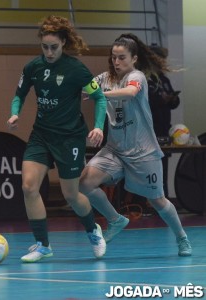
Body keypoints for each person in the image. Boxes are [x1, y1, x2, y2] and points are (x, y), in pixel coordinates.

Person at [79, 33, 192, 256]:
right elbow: (86, 88)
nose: (117, 62)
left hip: (143, 153)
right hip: (115, 150)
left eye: (122, 57)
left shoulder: (137, 77)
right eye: (114, 57)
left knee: (158, 201)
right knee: (85, 183)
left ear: (134, 59)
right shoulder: (104, 78)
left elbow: (130, 93)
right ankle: (115, 220)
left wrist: (101, 95)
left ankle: (182, 238)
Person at [7, 15, 107, 263]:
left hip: (70, 138)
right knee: (29, 187)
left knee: (71, 195)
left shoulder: (76, 69)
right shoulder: (33, 67)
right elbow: (19, 95)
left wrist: (98, 127)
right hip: (41, 134)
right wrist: (14, 113)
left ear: (63, 43)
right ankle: (43, 245)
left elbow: (100, 98)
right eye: (45, 47)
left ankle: (93, 230)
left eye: (54, 47)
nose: (49, 52)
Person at [148, 47, 180, 197]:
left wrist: (173, 99)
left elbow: (173, 104)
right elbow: (146, 102)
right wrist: (161, 100)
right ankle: (146, 202)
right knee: (149, 170)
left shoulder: (164, 80)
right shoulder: (145, 79)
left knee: (163, 168)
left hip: (164, 130)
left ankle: (164, 200)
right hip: (149, 132)